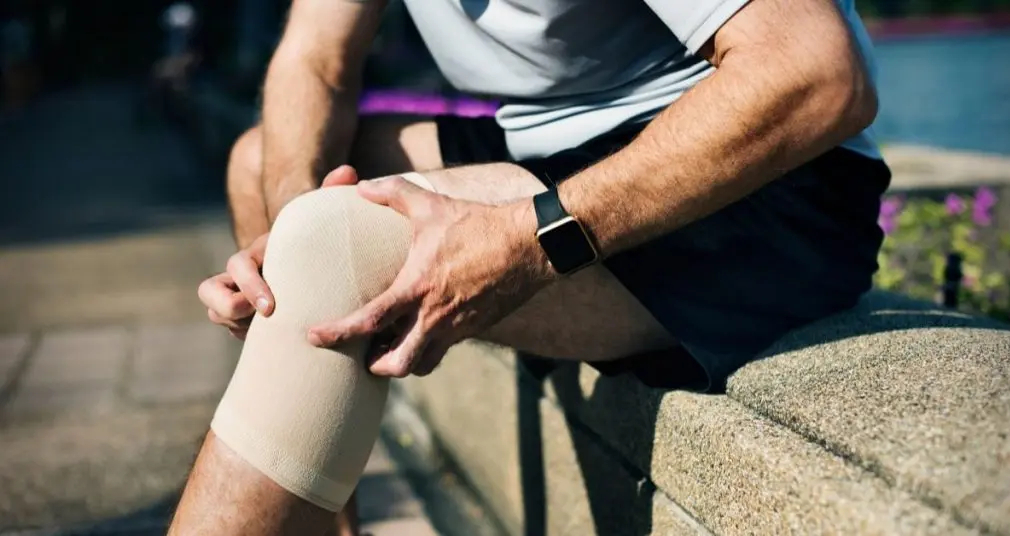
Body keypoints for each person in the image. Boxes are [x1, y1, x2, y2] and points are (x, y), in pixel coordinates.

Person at [171, 0, 890, 534]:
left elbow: (817, 73)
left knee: (338, 245)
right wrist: (292, 237)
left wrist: (531, 240)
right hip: (551, 143)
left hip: (758, 181)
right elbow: (314, 57)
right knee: (267, 171)